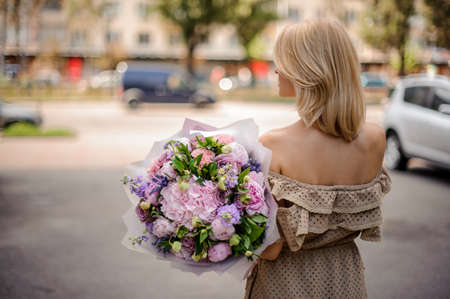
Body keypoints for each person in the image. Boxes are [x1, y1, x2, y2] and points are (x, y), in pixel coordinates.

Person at [244, 19, 392, 299]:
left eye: (284, 62)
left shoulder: (274, 145)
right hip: (345, 277)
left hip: (286, 283)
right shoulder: (375, 139)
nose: (276, 70)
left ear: (307, 71)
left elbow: (270, 249)